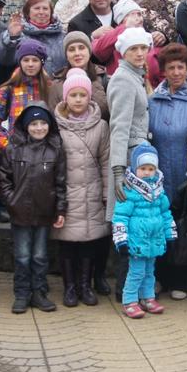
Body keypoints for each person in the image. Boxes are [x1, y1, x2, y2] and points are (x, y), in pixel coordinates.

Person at [148, 44, 187, 300]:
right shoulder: (153, 100)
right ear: (163, 71)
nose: (176, 72)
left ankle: (181, 282)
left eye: (180, 67)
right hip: (159, 175)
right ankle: (159, 278)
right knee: (159, 227)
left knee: (182, 228)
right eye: (170, 68)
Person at [0, 104, 68, 314]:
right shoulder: (13, 148)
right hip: (20, 212)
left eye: (43, 123)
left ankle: (39, 292)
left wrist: (60, 210)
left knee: (39, 255)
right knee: (22, 255)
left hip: (44, 213)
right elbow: (3, 179)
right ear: (25, 126)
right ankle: (22, 293)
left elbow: (61, 183)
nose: (39, 128)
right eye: (34, 124)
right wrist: (11, 200)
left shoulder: (56, 149)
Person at [53, 69, 112, 308]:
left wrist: (107, 194)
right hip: (66, 194)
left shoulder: (101, 126)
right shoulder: (55, 126)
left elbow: (106, 162)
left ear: (90, 97)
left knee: (89, 241)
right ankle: (69, 286)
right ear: (65, 97)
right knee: (67, 243)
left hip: (92, 192)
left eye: (83, 95)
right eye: (73, 95)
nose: (78, 100)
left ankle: (85, 286)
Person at [112, 143, 175, 318]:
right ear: (135, 168)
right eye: (143, 168)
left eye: (151, 169)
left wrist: (170, 234)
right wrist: (121, 239)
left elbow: (165, 213)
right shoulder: (129, 191)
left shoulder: (159, 191)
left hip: (154, 239)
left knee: (149, 272)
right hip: (137, 240)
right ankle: (129, 301)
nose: (147, 172)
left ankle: (148, 298)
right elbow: (120, 216)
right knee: (136, 272)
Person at [107, 27, 153, 201]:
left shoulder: (135, 75)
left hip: (139, 154)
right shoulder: (123, 79)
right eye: (133, 48)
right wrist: (119, 170)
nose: (140, 53)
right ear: (124, 52)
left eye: (143, 48)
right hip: (128, 158)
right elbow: (119, 127)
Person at [0, 39, 52, 151]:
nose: (30, 64)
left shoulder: (50, 88)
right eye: (26, 60)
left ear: (41, 63)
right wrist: (6, 145)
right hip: (17, 153)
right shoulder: (8, 89)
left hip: (46, 153)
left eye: (35, 60)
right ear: (20, 62)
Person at [0, 0, 67, 79]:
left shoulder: (62, 36)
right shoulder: (18, 33)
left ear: (51, 12)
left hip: (59, 86)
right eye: (37, 8)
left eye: (45, 9)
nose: (41, 12)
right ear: (28, 12)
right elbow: (4, 61)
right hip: (27, 85)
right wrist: (12, 38)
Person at [47, 31, 110, 117]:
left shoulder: (104, 78)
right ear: (66, 55)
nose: (77, 53)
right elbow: (55, 117)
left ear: (89, 51)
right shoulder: (57, 83)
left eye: (81, 48)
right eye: (71, 49)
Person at [91, 0, 149, 77]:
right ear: (122, 20)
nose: (137, 18)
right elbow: (98, 50)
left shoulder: (146, 36)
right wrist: (124, 27)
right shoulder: (113, 35)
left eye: (139, 14)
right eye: (132, 15)